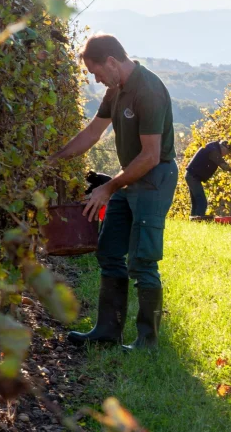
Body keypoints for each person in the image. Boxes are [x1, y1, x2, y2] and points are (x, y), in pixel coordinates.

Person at [50, 34, 178, 351]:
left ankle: (147, 341)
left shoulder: (148, 90)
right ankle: (107, 332)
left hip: (154, 177)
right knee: (109, 251)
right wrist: (53, 161)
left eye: (97, 73)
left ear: (111, 61)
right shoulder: (115, 89)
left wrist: (109, 187)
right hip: (130, 177)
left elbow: (150, 156)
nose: (96, 80)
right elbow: (93, 132)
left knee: (143, 260)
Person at [185, 140, 231, 217]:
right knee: (202, 202)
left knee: (196, 202)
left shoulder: (212, 147)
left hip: (191, 175)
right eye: (227, 153)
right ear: (224, 148)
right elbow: (223, 165)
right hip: (193, 177)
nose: (225, 155)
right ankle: (198, 221)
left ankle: (193, 221)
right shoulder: (213, 150)